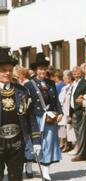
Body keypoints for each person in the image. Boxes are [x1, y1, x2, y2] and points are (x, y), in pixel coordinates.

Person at [24, 52, 63, 181]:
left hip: (49, 119)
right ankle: (29, 165)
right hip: (35, 118)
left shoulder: (51, 83)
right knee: (33, 144)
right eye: (40, 69)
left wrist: (60, 113)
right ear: (35, 70)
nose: (42, 71)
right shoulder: (29, 85)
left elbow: (56, 100)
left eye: (44, 68)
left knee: (48, 144)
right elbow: (27, 106)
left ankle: (45, 172)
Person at [0, 47, 33, 180]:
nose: (7, 73)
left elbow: (30, 117)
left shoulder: (21, 90)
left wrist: (35, 140)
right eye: (3, 70)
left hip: (17, 143)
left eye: (9, 70)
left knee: (16, 177)